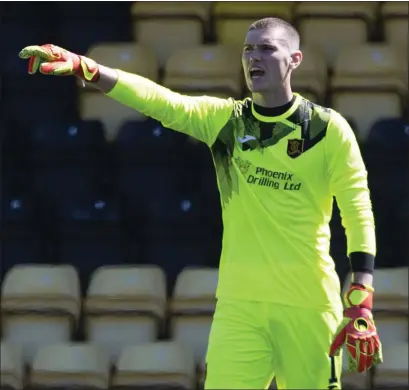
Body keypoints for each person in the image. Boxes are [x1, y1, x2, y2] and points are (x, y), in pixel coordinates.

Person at [19, 17, 382, 390]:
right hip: (240, 310)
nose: (253, 57)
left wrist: (361, 296)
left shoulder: (327, 129)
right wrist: (89, 69)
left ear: (295, 59)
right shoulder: (227, 121)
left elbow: (357, 211)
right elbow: (161, 101)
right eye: (248, 49)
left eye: (266, 48)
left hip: (310, 307)